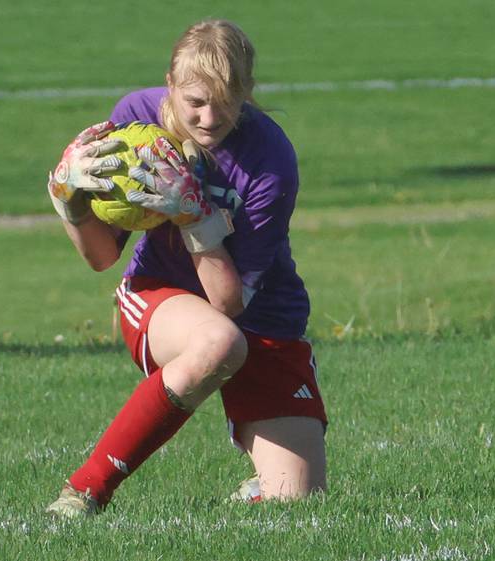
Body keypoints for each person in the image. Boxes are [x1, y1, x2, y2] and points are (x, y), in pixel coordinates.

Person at [46, 19, 327, 517]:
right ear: (170, 85)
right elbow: (102, 257)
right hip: (161, 295)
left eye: (225, 101)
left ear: (247, 92)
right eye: (195, 101)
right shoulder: (135, 120)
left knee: (298, 500)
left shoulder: (271, 161)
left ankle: (261, 482)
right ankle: (87, 491)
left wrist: (195, 215)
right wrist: (71, 204)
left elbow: (229, 301)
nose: (208, 116)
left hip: (259, 312)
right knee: (217, 342)